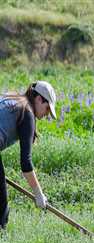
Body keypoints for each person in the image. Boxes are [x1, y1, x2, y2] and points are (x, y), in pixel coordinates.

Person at [0, 81, 57, 229]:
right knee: (1, 208)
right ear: (39, 99)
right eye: (47, 109)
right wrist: (38, 194)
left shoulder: (12, 100)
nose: (46, 115)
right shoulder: (27, 113)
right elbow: (26, 163)